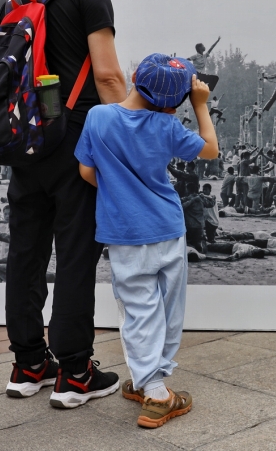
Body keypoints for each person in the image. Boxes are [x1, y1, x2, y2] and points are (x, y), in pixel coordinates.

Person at [1, 0, 131, 403]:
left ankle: (28, 363)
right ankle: (75, 372)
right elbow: (109, 75)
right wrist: (126, 142)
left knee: (26, 253)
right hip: (75, 137)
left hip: (26, 139)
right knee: (76, 254)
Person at [76, 53, 217, 426]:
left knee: (138, 312)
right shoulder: (167, 128)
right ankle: (156, 388)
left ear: (135, 76)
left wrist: (117, 192)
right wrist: (201, 106)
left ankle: (148, 383)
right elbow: (211, 149)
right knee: (170, 309)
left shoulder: (99, 117)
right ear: (177, 101)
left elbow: (86, 171)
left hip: (124, 231)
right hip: (169, 228)